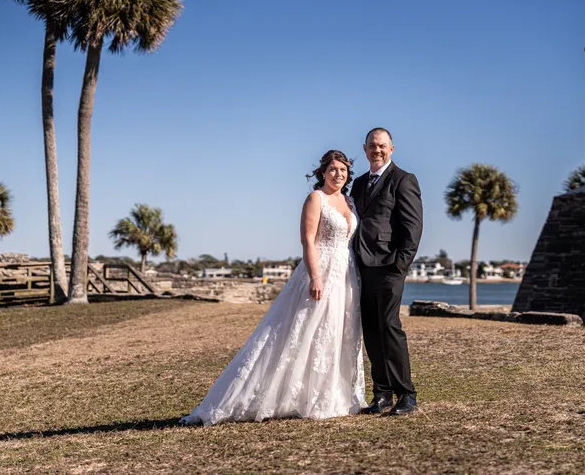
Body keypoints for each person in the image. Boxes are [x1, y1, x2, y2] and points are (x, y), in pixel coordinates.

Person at [180, 150, 365, 424]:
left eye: (343, 170)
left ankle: (327, 395)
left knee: (337, 331)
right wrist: (315, 277)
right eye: (333, 169)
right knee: (301, 330)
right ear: (323, 172)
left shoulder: (349, 201)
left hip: (346, 274)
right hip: (322, 269)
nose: (339, 174)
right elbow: (308, 241)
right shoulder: (317, 198)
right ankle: (243, 399)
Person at [351, 128, 423, 416]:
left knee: (390, 328)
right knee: (370, 331)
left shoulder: (404, 180)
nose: (376, 150)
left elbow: (413, 227)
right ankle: (382, 394)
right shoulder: (356, 184)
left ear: (391, 148)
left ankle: (407, 394)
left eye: (381, 146)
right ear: (365, 149)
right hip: (360, 269)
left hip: (390, 268)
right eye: (371, 146)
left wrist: (400, 265)